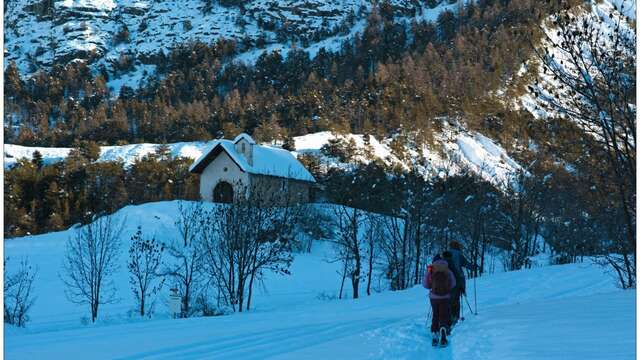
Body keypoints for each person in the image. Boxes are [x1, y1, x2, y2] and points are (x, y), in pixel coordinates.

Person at [423, 254, 456, 347]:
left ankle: (434, 332)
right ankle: (443, 329)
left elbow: (425, 284)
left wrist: (432, 286)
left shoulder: (431, 269)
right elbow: (453, 283)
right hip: (445, 297)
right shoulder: (447, 269)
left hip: (434, 297)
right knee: (443, 315)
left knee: (435, 314)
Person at [442, 241, 475, 326]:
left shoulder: (446, 255)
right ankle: (455, 318)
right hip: (457, 280)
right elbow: (467, 264)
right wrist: (474, 267)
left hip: (445, 281)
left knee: (447, 300)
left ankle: (445, 319)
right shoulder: (459, 255)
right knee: (456, 300)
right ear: (457, 247)